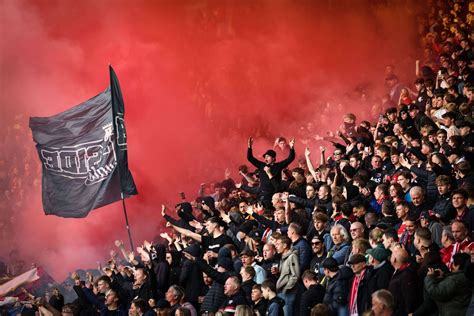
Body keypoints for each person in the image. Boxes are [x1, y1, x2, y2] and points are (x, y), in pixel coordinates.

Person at [247, 136, 295, 207]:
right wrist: (249, 147)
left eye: (268, 156)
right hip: (264, 194)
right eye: (265, 157)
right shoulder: (262, 165)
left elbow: (290, 158)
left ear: (273, 158)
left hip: (274, 194)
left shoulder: (278, 166)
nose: (265, 158)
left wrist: (291, 148)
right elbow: (250, 158)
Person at [274, 235, 300, 316]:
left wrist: (286, 288)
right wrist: (277, 273)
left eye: (278, 244)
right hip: (282, 292)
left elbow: (295, 275)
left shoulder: (292, 256)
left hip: (288, 294)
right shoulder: (283, 257)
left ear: (285, 245)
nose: (276, 246)